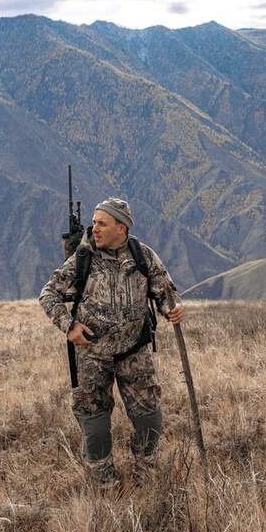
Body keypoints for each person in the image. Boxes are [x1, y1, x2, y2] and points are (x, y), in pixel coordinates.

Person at [38, 197, 185, 489]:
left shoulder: (143, 256)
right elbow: (48, 294)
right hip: (93, 355)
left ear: (122, 227)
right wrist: (69, 326)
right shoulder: (83, 258)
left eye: (102, 223)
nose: (95, 229)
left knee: (149, 418)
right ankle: (105, 484)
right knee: (95, 423)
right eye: (94, 223)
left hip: (135, 352)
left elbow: (166, 292)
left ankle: (145, 471)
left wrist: (173, 308)